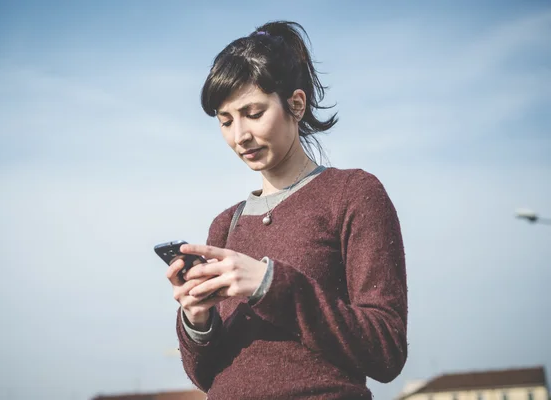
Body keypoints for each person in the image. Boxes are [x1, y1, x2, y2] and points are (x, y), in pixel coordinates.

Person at [165, 21, 407, 400]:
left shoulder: (354, 194)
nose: (239, 135)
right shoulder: (224, 226)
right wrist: (197, 319)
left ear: (296, 104)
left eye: (253, 113)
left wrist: (269, 284)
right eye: (226, 121)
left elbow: (386, 350)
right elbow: (203, 374)